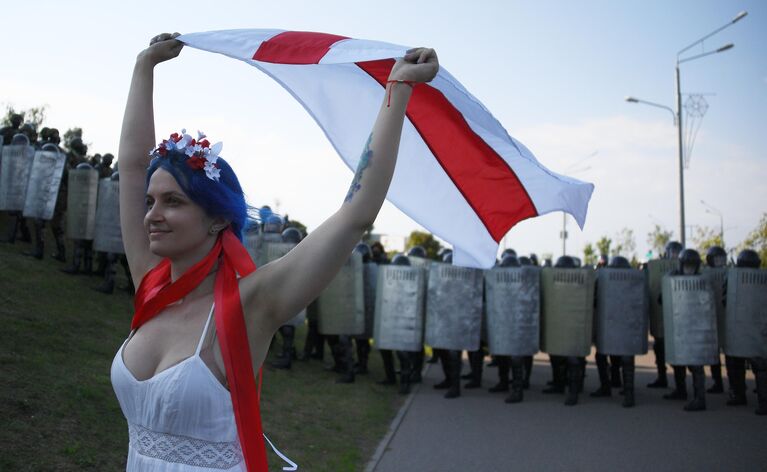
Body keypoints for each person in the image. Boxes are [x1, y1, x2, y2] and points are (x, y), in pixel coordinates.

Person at [110, 32, 438, 471]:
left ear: (218, 219)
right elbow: (132, 166)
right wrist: (143, 67)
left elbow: (355, 214)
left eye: (173, 202)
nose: (152, 214)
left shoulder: (250, 305)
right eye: (151, 201)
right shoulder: (149, 284)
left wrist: (397, 90)